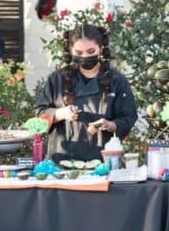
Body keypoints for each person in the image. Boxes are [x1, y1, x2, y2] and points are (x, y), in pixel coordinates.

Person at [35, 24, 137, 164]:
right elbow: (39, 116)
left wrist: (109, 124)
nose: (85, 57)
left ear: (101, 49)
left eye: (90, 51)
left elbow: (128, 117)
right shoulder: (57, 79)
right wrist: (61, 113)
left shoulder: (117, 81)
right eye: (79, 52)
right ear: (70, 50)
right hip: (61, 162)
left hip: (103, 162)